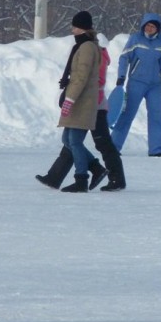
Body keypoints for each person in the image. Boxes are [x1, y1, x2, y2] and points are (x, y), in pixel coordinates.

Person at [36, 33, 126, 191]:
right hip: (87, 103)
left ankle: (113, 177)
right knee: (71, 140)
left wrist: (75, 96)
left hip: (94, 105)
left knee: (93, 142)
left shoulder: (97, 54)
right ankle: (56, 176)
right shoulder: (91, 51)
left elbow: (94, 81)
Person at [53, 11, 102, 193]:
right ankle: (96, 168)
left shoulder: (87, 47)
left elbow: (81, 76)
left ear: (82, 28)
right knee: (68, 139)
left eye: (74, 27)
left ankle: (81, 178)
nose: (72, 30)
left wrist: (70, 99)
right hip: (79, 100)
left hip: (82, 101)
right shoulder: (83, 46)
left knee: (74, 141)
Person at [111, 12, 161, 157]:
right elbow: (124, 58)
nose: (150, 28)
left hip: (154, 86)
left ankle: (156, 150)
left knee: (156, 117)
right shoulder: (135, 39)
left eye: (153, 26)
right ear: (143, 26)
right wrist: (121, 77)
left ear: (158, 29)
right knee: (127, 115)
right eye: (148, 25)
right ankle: (113, 147)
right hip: (136, 83)